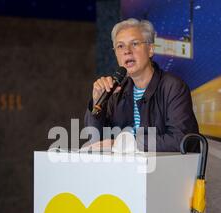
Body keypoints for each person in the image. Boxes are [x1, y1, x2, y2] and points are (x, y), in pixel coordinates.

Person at [84, 18, 199, 152]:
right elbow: (95, 138)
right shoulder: (115, 91)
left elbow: (182, 140)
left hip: (161, 169)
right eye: (120, 46)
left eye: (134, 43)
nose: (127, 51)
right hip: (123, 169)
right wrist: (98, 104)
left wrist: (126, 144)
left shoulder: (173, 87)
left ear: (150, 49)